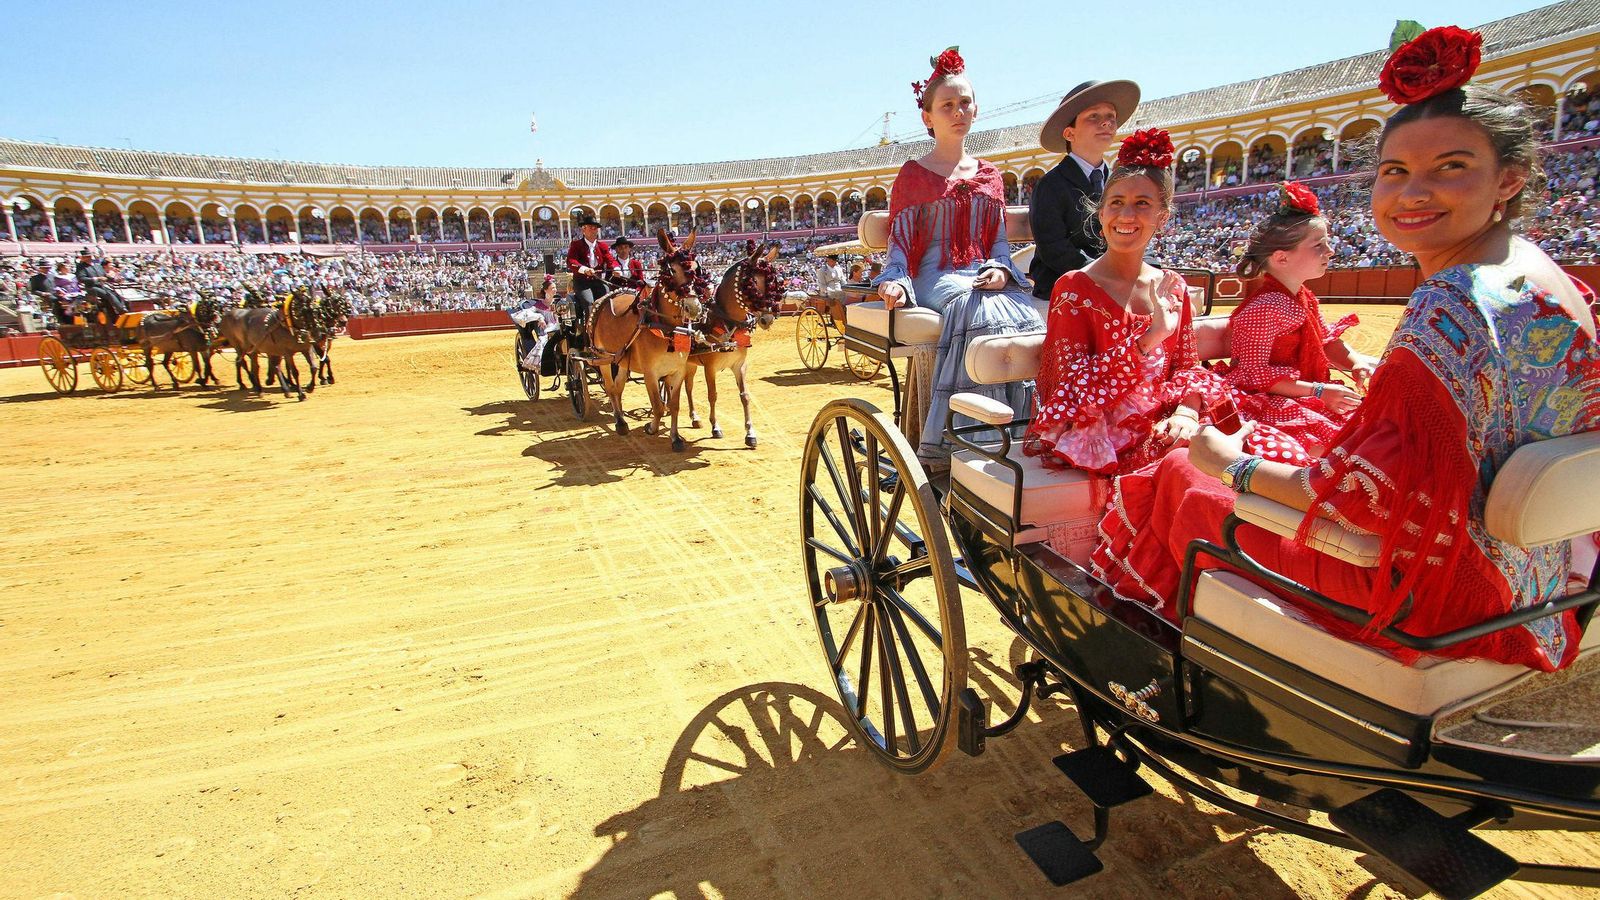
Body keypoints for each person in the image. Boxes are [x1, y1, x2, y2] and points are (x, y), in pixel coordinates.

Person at [1094, 26, 1600, 671]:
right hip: (1542, 579)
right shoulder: (1550, 277)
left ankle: (1171, 668)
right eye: (1395, 171)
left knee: (1177, 473)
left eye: (1451, 166)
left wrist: (1230, 465)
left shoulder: (1454, 305)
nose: (1413, 192)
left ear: (1509, 181)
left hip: (1437, 597)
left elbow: (1362, 498)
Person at [1021, 128, 1228, 477]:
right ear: (1100, 215)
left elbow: (1187, 368)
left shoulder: (1173, 285)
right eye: (1116, 202)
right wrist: (1149, 340)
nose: (1127, 215)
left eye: (1142, 204)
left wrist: (1187, 412)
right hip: (1106, 435)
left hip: (1171, 425)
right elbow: (1070, 387)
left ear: (1162, 218)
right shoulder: (1074, 289)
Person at [873, 47, 1043, 466]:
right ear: (928, 117)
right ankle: (971, 438)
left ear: (976, 109)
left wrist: (1002, 270)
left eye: (964, 102)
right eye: (947, 105)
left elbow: (998, 244)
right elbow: (902, 242)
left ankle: (1021, 433)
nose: (958, 111)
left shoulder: (989, 175)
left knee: (1028, 317)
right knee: (978, 306)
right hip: (936, 275)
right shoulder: (913, 174)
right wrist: (895, 276)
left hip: (981, 274)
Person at [1219, 182, 1380, 460]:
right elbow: (1253, 374)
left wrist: (1356, 363)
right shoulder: (1263, 308)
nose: (1329, 252)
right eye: (1319, 245)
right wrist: (1318, 390)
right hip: (1268, 399)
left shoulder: (1301, 296)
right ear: (1281, 257)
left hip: (1302, 391)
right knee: (1346, 448)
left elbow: (1325, 340)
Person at [1028, 79, 1141, 301]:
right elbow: (1054, 249)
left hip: (1113, 280)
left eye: (1111, 117)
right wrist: (1102, 275)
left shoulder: (1120, 182)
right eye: (1094, 117)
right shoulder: (1050, 185)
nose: (1106, 123)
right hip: (1063, 283)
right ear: (1069, 134)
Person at [565, 216, 618, 342]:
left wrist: (616, 268)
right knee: (589, 303)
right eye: (591, 228)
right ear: (584, 230)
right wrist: (584, 269)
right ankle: (590, 336)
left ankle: (610, 329)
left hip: (598, 281)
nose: (594, 230)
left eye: (595, 228)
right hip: (582, 283)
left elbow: (610, 260)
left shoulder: (602, 246)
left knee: (608, 300)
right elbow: (571, 261)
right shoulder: (576, 245)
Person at [76, 247, 125, 320]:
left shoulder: (97, 265)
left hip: (101, 285)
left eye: (89, 256)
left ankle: (123, 308)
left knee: (115, 293)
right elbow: (81, 278)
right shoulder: (81, 267)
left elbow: (105, 276)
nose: (89, 258)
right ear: (83, 258)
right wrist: (97, 279)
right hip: (91, 287)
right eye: (87, 257)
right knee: (108, 295)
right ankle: (121, 310)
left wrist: (115, 280)